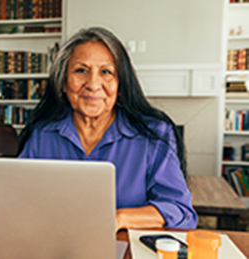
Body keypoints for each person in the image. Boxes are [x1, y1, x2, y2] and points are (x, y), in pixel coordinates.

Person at [18, 27, 198, 230]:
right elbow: (16, 201)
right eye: (81, 70)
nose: (93, 84)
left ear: (120, 86)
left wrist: (119, 218)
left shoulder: (154, 135)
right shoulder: (42, 135)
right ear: (63, 83)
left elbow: (180, 211)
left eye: (106, 72)